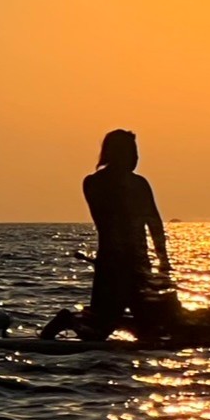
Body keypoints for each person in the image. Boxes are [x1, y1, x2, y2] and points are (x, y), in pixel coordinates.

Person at [41, 129, 174, 340]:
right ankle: (69, 320)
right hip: (113, 264)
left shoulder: (137, 184)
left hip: (137, 262)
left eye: (136, 152)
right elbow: (112, 221)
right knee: (100, 329)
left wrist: (162, 259)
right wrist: (131, 261)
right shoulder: (97, 183)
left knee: (151, 326)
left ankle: (108, 323)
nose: (136, 157)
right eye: (131, 152)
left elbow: (154, 222)